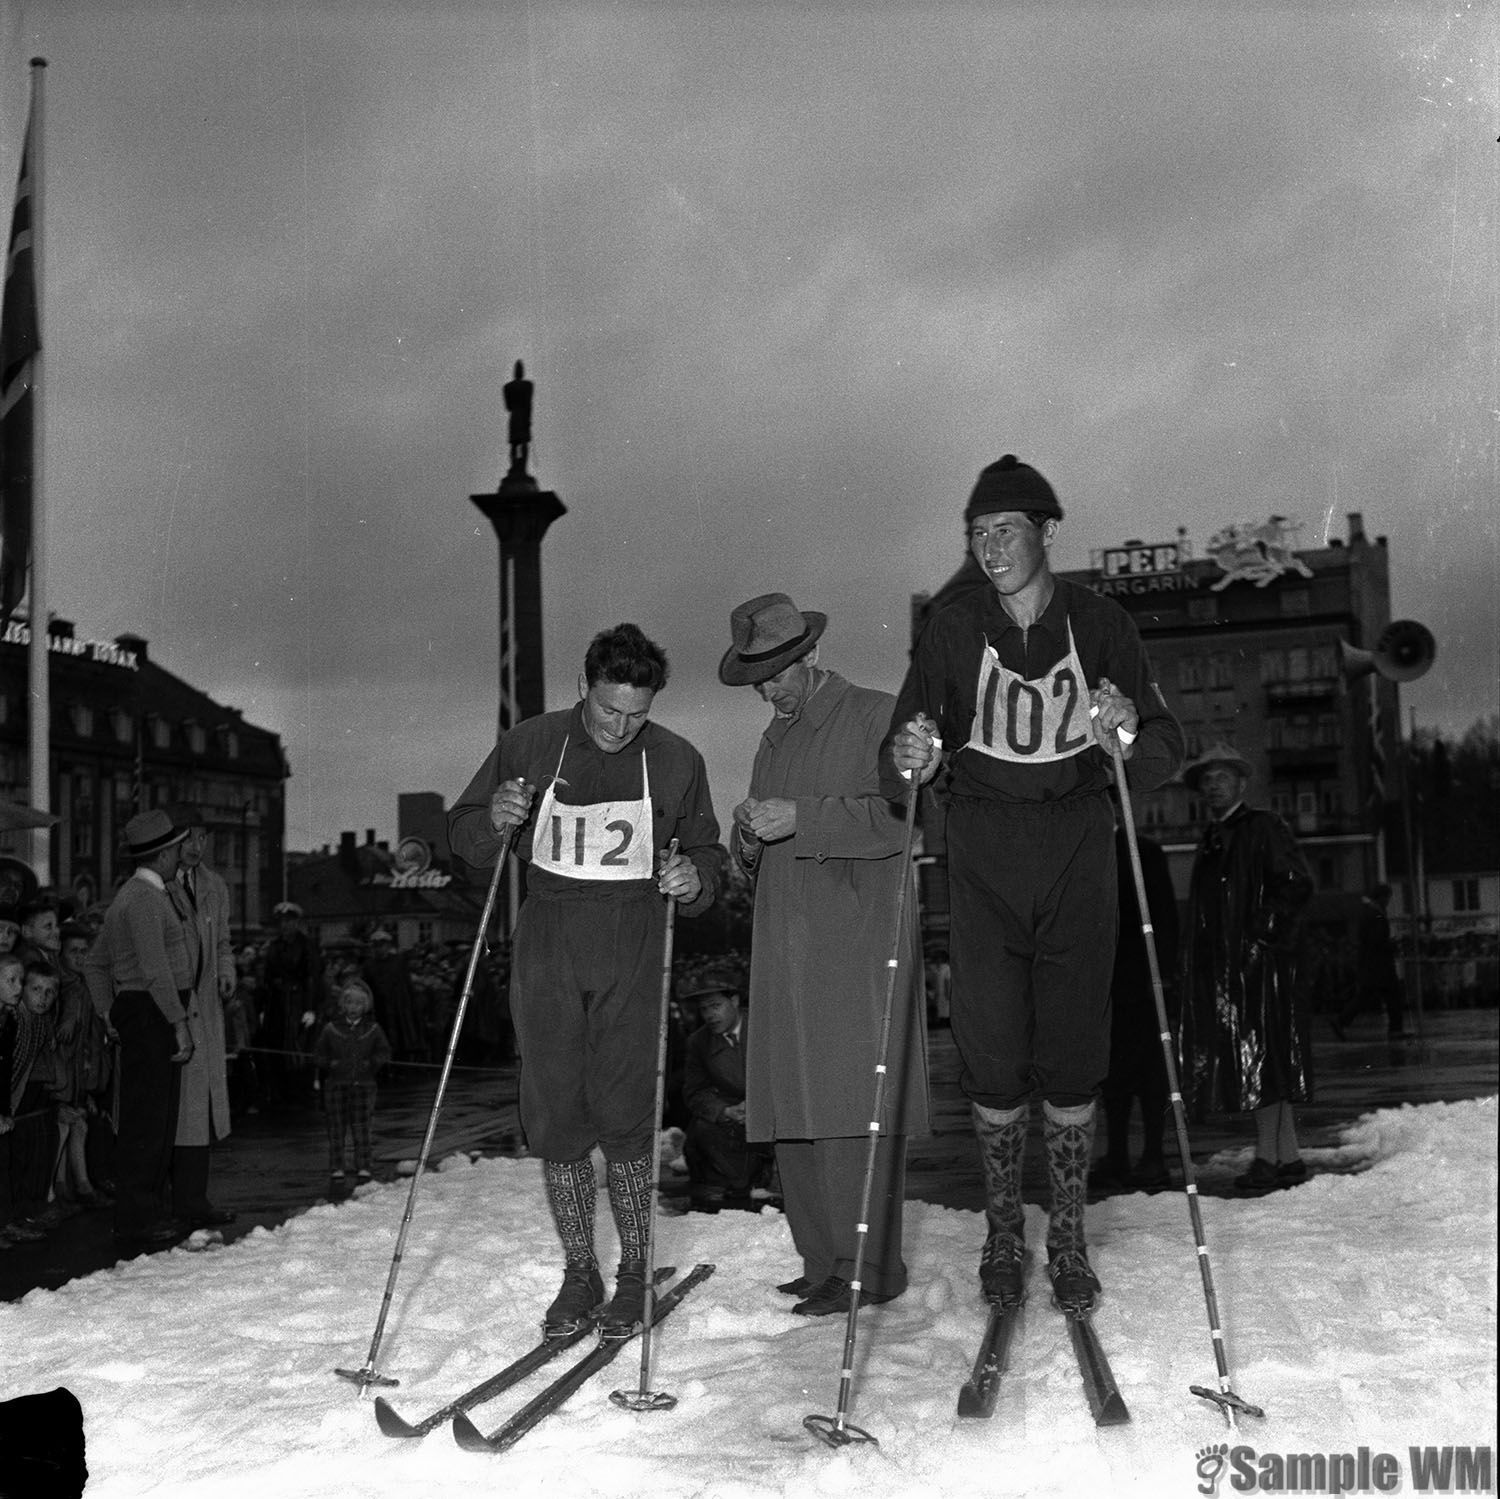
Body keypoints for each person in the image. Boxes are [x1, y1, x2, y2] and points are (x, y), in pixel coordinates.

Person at [885, 454, 1183, 1310]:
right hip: (982, 847)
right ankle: (1005, 1233)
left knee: (1074, 1048)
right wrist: (912, 756)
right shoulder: (951, 627)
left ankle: (1072, 1240)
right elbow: (906, 749)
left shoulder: (1102, 622)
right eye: (977, 534)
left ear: (1048, 531)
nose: (990, 548)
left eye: (1006, 530)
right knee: (990, 1045)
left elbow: (1167, 742)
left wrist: (1126, 735)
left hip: (1077, 841)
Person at [449, 622, 721, 1339]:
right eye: (608, 711)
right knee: (557, 1110)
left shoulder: (676, 759)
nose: (621, 727)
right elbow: (466, 832)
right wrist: (492, 819)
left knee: (627, 1108)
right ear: (583, 688)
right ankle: (580, 1270)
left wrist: (694, 879)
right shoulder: (532, 742)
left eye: (637, 713)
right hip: (550, 940)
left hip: (632, 938)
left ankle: (634, 1269)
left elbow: (707, 855)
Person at [722, 593, 930, 1315]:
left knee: (848, 1109)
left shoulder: (876, 715)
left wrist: (799, 818)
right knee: (791, 1108)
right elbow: (759, 836)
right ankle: (821, 1261)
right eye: (758, 680)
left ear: (810, 655)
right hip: (786, 943)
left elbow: (904, 817)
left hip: (855, 943)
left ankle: (868, 1267)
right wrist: (744, 839)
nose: (768, 691)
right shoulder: (771, 740)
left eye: (778, 674)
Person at [1178, 742, 1315, 1195]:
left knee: (1260, 1060)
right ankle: (1288, 1157)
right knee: (1265, 1059)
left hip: (1259, 968)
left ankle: (1268, 1158)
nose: (1213, 785)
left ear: (1240, 782)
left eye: (1221, 777)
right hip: (1232, 970)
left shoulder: (1260, 827)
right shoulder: (1215, 837)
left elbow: (1294, 883)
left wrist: (1259, 936)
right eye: (1206, 780)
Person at [82, 808, 196, 1251]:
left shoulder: (131, 897)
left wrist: (109, 1013)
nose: (179, 855)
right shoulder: (146, 899)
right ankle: (137, 1222)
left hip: (142, 1012)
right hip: (154, 1013)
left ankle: (143, 1213)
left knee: (148, 1118)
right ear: (164, 854)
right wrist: (179, 1023)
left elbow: (95, 964)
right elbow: (155, 971)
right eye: (176, 848)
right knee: (149, 1123)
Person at [1090, 815, 1180, 1195]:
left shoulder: (1144, 851)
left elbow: (1165, 915)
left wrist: (1164, 973)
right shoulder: (1085, 851)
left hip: (1143, 980)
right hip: (1103, 981)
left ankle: (1155, 1156)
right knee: (1112, 1076)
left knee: (1151, 1075)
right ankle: (1118, 1156)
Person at [167, 807, 238, 1229]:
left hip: (205, 1010)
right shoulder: (159, 887)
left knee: (198, 1110)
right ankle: (171, 1198)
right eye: (188, 838)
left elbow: (224, 941)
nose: (196, 847)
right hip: (172, 1008)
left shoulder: (214, 886)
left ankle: (193, 1199)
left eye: (202, 838)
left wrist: (226, 972)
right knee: (175, 1110)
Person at [678, 966, 767, 1214]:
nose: (709, 1015)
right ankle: (726, 1191)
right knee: (699, 1132)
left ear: (735, 1001)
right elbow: (694, 1092)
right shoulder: (699, 1042)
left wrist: (760, 1106)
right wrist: (725, 1111)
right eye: (704, 1009)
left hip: (773, 1113)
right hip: (733, 1119)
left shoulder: (764, 1028)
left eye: (715, 1005)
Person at [50, 920, 113, 1207]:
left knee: (79, 1126)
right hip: (62, 1073)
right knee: (64, 1126)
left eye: (84, 951)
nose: (80, 957)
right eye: (74, 951)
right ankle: (62, 1187)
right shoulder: (62, 986)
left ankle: (81, 1186)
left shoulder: (86, 985)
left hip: (82, 1072)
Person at [313, 977, 392, 1195]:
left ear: (365, 1006)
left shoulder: (373, 1029)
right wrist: (331, 1064)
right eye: (349, 1003)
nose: (353, 1008)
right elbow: (319, 1055)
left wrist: (372, 1063)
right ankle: (337, 1166)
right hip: (336, 1085)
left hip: (364, 1085)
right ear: (343, 1005)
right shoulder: (331, 1029)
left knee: (361, 1127)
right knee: (336, 1128)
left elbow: (384, 1051)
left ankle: (364, 1165)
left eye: (358, 1004)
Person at [258, 902, 319, 1105]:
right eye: (282, 922)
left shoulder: (306, 945)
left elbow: (311, 977)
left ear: (297, 922)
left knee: (298, 1045)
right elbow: (267, 977)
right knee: (276, 1043)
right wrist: (264, 1006)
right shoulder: (274, 946)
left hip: (297, 1001)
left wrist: (310, 1007)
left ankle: (301, 1091)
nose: (285, 925)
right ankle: (280, 1092)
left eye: (289, 921)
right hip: (277, 1002)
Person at [1334, 884, 1408, 1041]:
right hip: (1379, 965)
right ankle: (1395, 1029)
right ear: (1381, 897)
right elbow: (1377, 941)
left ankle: (1342, 1020)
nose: (1388, 900)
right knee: (1391, 994)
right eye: (1387, 897)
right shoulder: (1376, 915)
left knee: (1367, 996)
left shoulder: (1370, 913)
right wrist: (1392, 945)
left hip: (1372, 964)